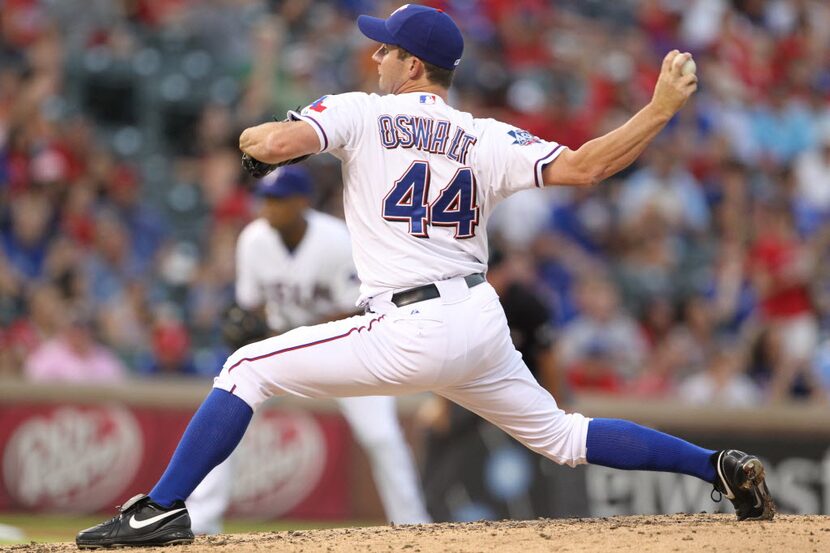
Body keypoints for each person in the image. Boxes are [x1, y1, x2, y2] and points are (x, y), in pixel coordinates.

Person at [76, 5, 774, 548]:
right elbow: (587, 167)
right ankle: (716, 464)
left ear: (412, 66)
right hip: (478, 316)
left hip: (409, 323)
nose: (374, 55)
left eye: (386, 48)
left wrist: (254, 145)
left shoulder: (361, 111)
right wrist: (657, 111)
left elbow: (273, 143)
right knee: (564, 436)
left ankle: (161, 510)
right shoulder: (487, 135)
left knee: (245, 366)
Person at [185, 166, 430, 534]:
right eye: (265, 199)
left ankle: (413, 523)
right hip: (282, 351)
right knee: (228, 415)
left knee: (381, 436)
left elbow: (356, 308)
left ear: (302, 202)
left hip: (350, 350)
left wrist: (293, 332)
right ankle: (202, 519)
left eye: (278, 200)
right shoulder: (253, 240)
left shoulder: (336, 240)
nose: (269, 208)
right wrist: (246, 326)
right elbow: (250, 308)